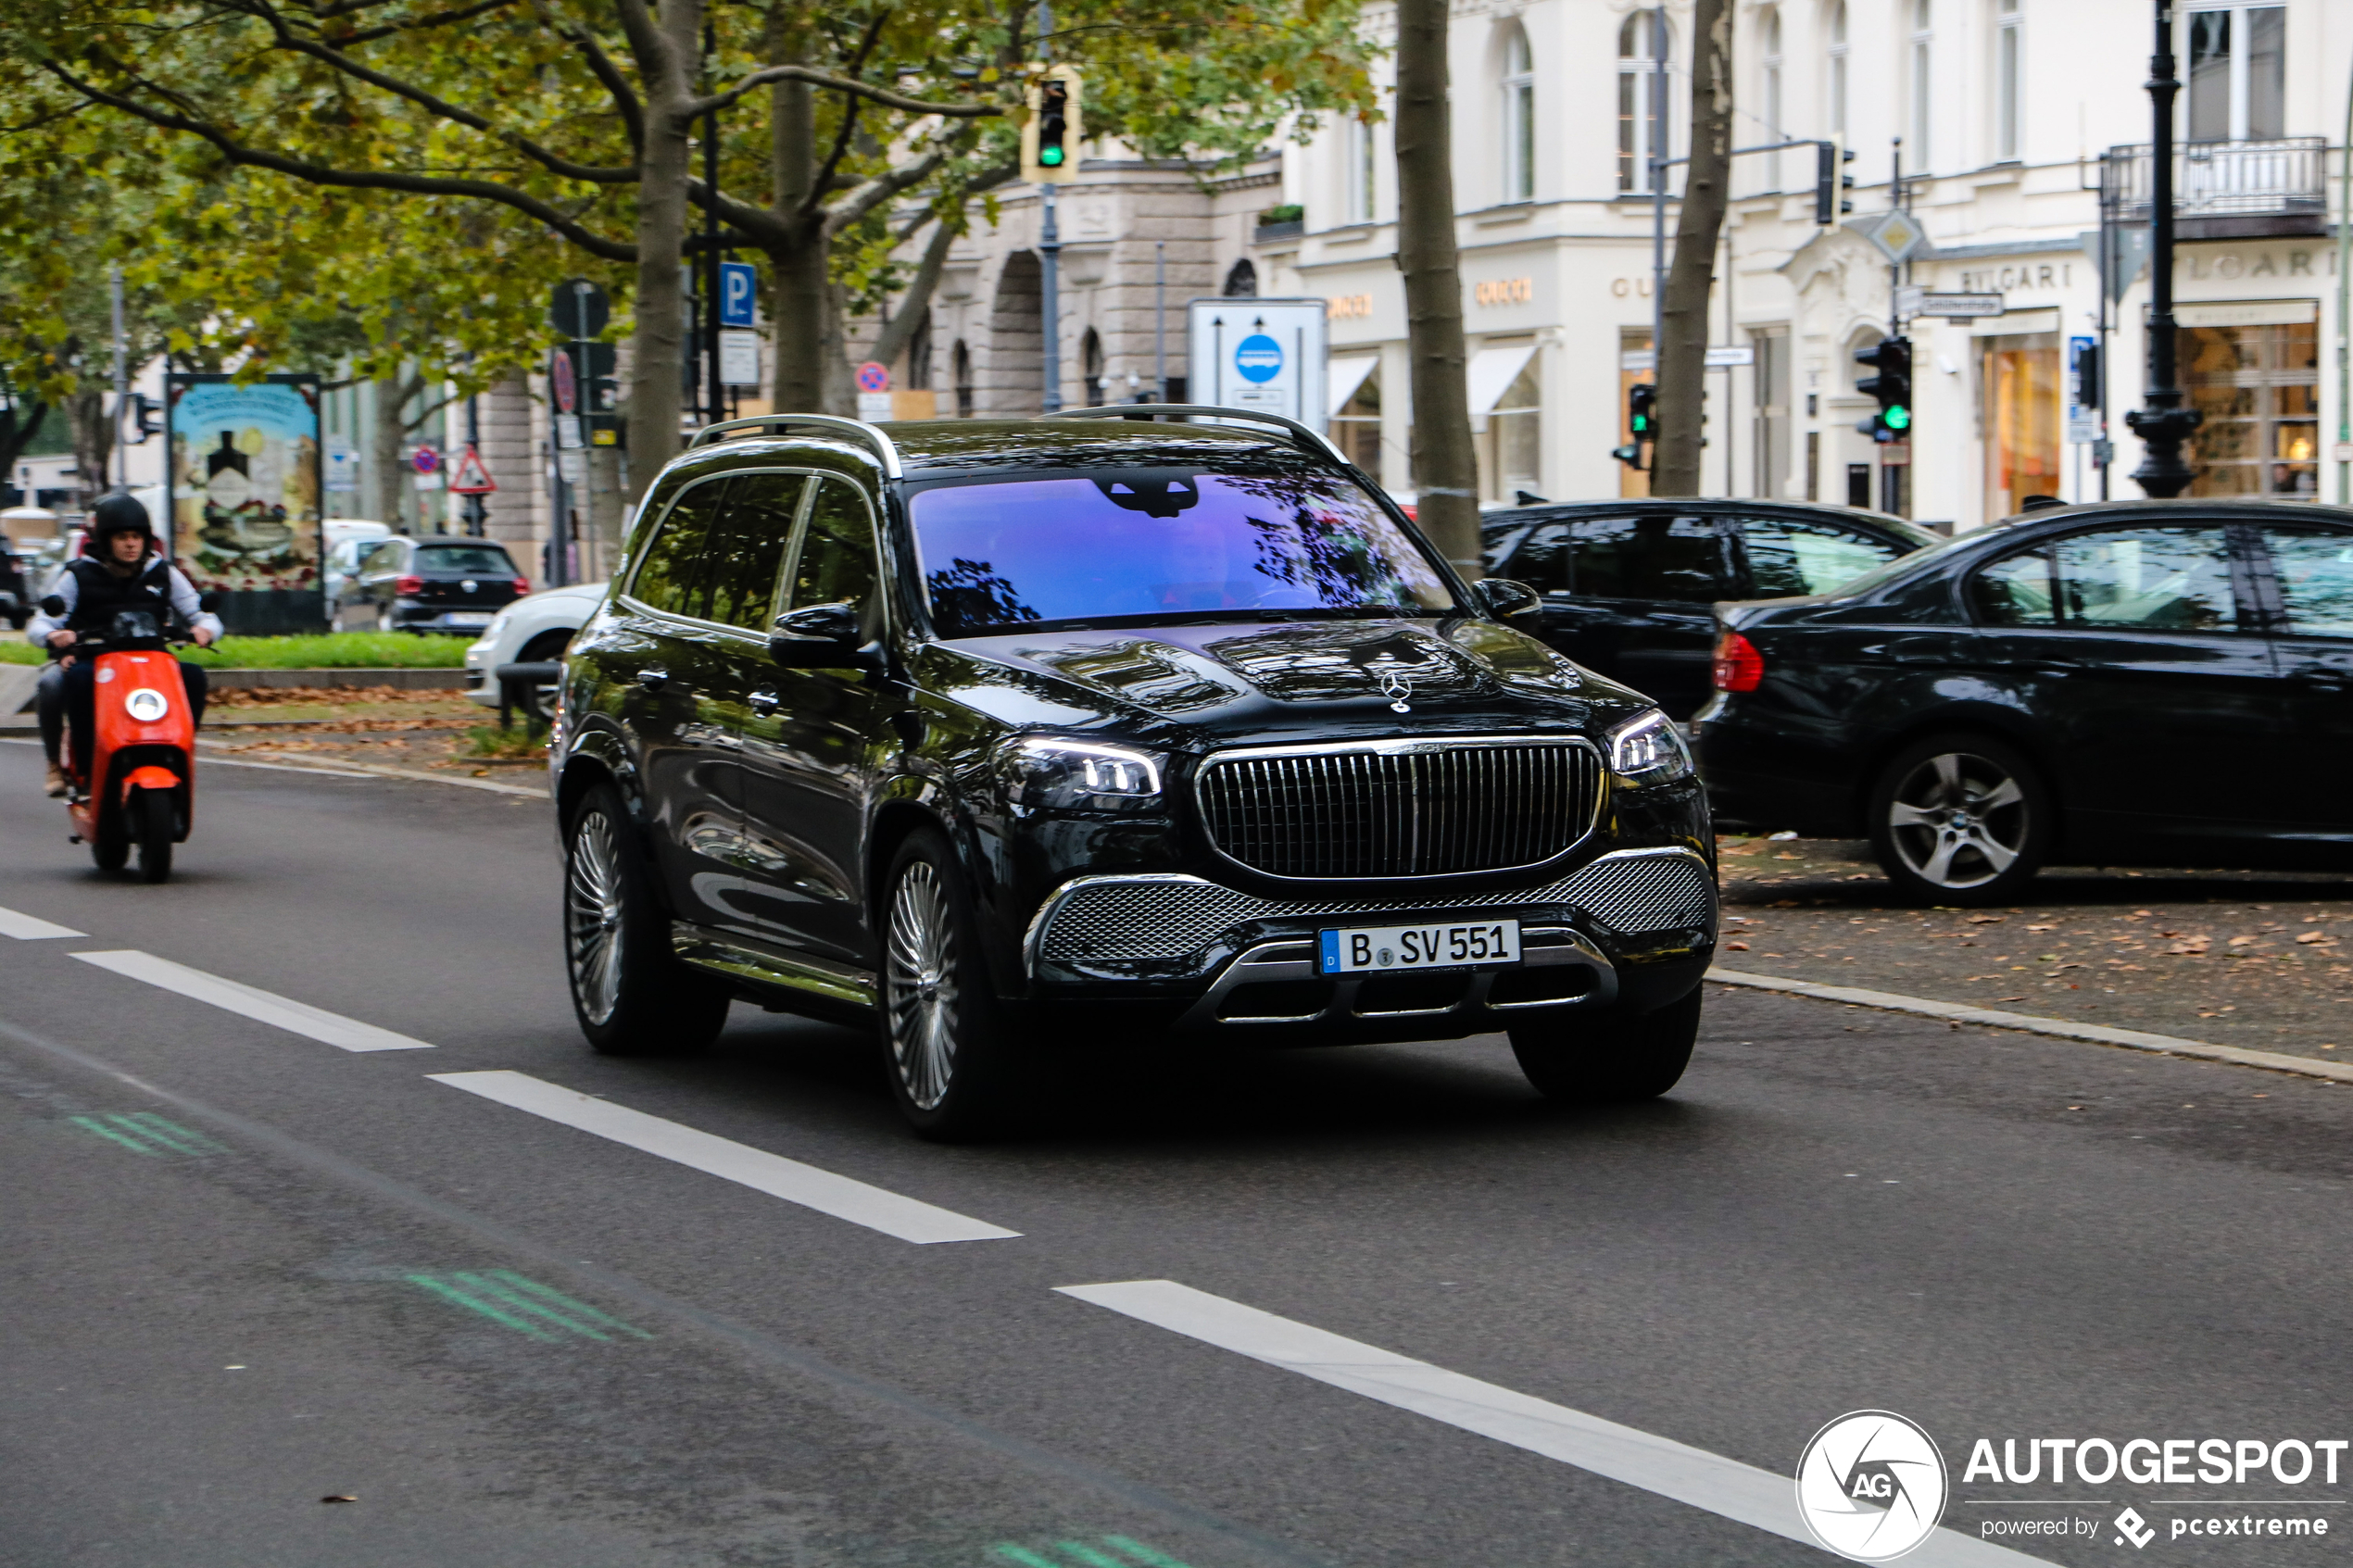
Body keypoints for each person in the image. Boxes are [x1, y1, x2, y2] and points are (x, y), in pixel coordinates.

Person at [25, 495, 220, 797]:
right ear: (105, 541)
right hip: (96, 660)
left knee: (193, 675)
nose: (131, 544)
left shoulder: (163, 572)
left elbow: (203, 614)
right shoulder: (78, 574)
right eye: (122, 537)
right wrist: (54, 636)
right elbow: (39, 624)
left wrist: (205, 630)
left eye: (136, 537)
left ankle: (178, 751)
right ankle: (70, 764)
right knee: (57, 684)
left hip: (152, 661)